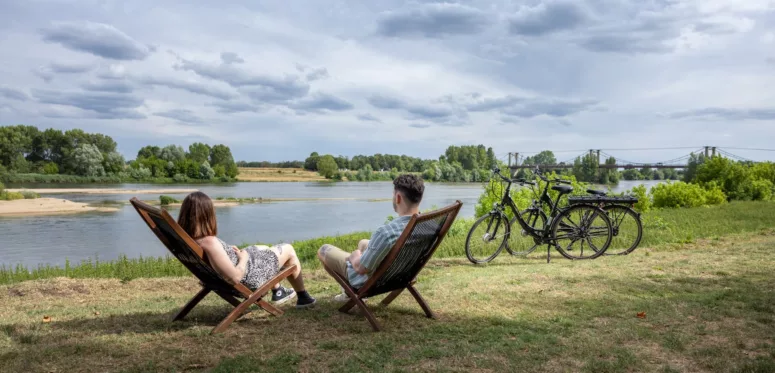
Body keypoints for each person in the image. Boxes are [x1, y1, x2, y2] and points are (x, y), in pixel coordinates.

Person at [177, 191, 316, 309]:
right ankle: (303, 297)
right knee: (288, 249)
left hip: (229, 275)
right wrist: (243, 258)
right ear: (207, 215)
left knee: (262, 247)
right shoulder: (209, 242)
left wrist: (226, 251)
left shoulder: (188, 241)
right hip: (250, 277)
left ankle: (278, 290)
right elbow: (235, 277)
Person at [317, 174, 424, 301]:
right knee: (363, 243)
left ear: (398, 197)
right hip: (402, 275)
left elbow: (361, 269)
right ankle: (349, 291)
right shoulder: (427, 225)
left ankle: (349, 293)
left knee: (323, 250)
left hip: (376, 281)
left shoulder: (387, 233)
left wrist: (354, 257)